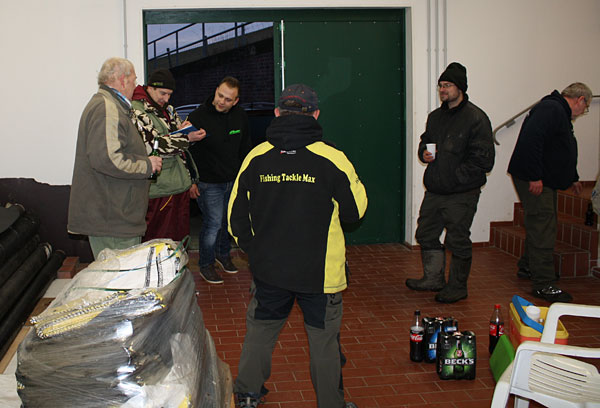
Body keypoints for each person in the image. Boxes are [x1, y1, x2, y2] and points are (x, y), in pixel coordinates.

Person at [228, 84, 367, 408]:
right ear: (315, 115)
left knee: (261, 331)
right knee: (323, 342)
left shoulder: (256, 156)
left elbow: (235, 217)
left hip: (269, 269)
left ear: (277, 113)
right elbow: (355, 212)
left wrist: (255, 250)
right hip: (320, 273)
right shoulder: (333, 158)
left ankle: (247, 395)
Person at [406, 62, 495, 303]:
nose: (443, 90)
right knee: (425, 233)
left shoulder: (476, 118)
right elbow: (425, 141)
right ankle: (433, 279)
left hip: (462, 193)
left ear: (460, 88)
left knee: (457, 240)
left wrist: (455, 178)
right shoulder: (435, 117)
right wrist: (423, 152)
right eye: (440, 86)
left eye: (448, 85)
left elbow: (483, 161)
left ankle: (457, 287)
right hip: (435, 190)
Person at [67, 57, 162, 259]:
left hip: (115, 217)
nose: (135, 86)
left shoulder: (111, 106)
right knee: (118, 277)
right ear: (122, 80)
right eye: (134, 80)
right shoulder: (107, 109)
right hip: (113, 220)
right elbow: (108, 159)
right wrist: (147, 165)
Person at [508, 82, 592, 303]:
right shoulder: (552, 109)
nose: (582, 112)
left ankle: (528, 266)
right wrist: (534, 176)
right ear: (580, 100)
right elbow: (531, 140)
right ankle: (543, 283)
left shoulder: (557, 111)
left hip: (542, 178)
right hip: (535, 179)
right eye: (585, 108)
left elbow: (561, 148)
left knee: (542, 222)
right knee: (543, 227)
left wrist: (572, 177)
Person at [187, 76, 252, 284]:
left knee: (227, 221)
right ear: (215, 91)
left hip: (232, 180)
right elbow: (186, 152)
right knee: (213, 223)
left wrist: (245, 177)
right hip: (208, 182)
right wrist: (191, 180)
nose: (222, 101)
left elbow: (245, 147)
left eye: (228, 99)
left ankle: (223, 255)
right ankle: (206, 264)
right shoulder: (197, 116)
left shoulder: (240, 116)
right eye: (220, 95)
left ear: (236, 101)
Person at [131, 69, 206, 242]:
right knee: (159, 243)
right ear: (150, 88)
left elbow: (176, 143)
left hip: (179, 185)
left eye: (169, 94)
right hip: (160, 190)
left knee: (178, 242)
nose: (166, 99)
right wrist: (186, 138)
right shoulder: (137, 110)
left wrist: (184, 130)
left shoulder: (169, 109)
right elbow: (152, 145)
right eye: (162, 93)